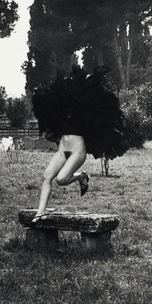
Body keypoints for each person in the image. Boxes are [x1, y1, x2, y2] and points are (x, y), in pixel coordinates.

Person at [31, 65, 130, 222]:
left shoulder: (83, 111)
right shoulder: (59, 112)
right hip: (63, 150)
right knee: (46, 176)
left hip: (77, 151)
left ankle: (81, 176)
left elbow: (99, 107)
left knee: (61, 180)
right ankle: (40, 213)